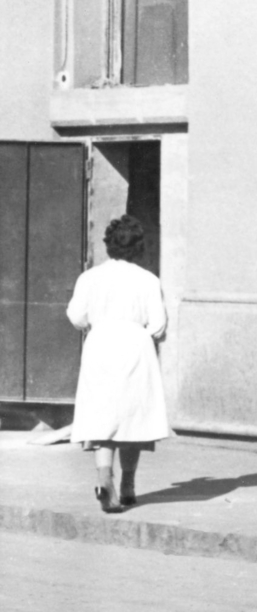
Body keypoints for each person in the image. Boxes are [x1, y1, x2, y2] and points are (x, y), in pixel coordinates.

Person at [66, 215, 170, 512]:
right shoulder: (148, 280)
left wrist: (95, 323)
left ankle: (103, 478)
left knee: (103, 413)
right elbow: (158, 325)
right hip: (135, 345)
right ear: (138, 248)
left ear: (109, 245)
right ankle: (128, 485)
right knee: (132, 415)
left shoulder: (90, 278)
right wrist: (144, 333)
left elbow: (76, 316)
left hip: (100, 343)